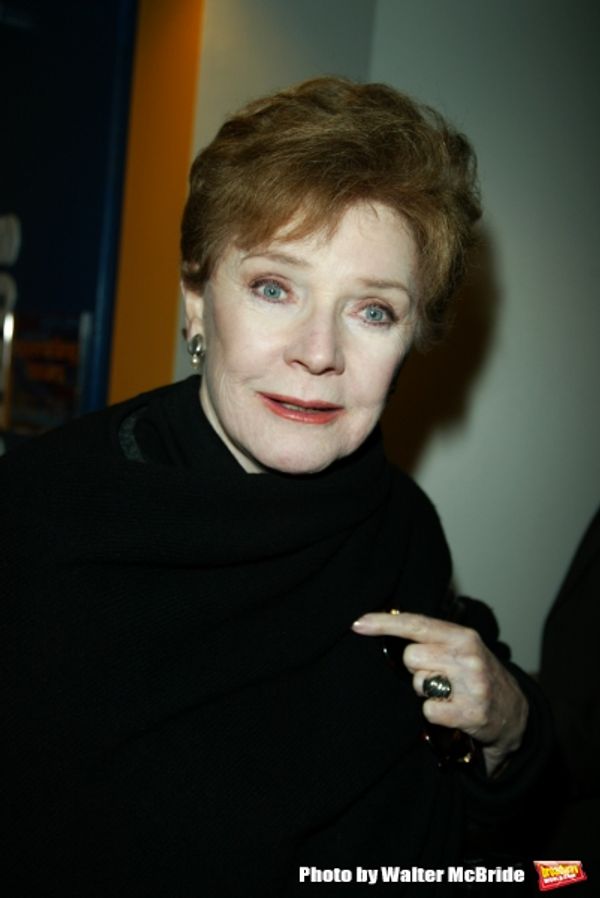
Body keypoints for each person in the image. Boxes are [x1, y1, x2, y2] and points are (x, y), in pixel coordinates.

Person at [1, 77, 549, 896]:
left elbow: (497, 851)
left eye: (373, 311)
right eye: (274, 288)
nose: (319, 352)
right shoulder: (40, 521)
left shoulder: (401, 524)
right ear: (197, 301)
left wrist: (507, 727)